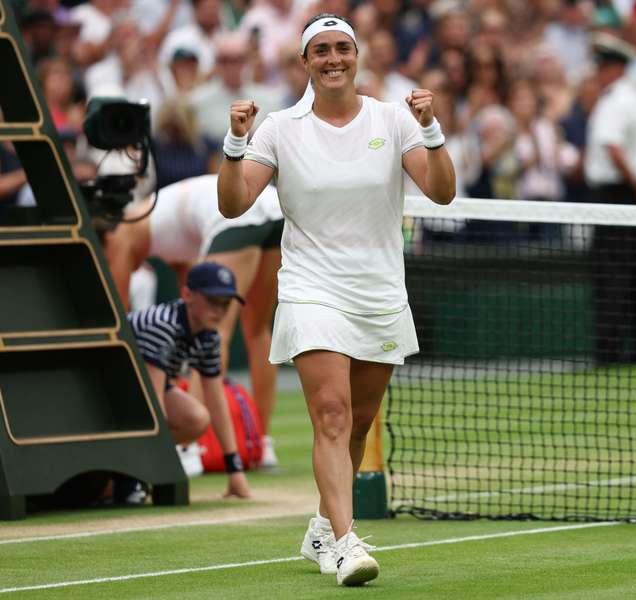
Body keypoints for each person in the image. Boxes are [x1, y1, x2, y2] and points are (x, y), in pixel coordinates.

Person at [217, 13, 455, 586]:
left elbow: (442, 192)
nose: (332, 59)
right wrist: (235, 143)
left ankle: (323, 528)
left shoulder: (392, 119)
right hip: (310, 290)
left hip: (379, 292)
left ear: (357, 56)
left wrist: (431, 129)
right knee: (332, 414)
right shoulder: (278, 128)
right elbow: (232, 204)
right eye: (320, 50)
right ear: (305, 63)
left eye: (341, 49)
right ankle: (345, 544)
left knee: (358, 424)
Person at [105, 175, 283, 469]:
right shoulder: (164, 229)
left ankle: (190, 449)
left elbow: (118, 318)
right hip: (274, 208)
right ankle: (260, 444)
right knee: (257, 330)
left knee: (216, 332)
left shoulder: (121, 234)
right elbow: (186, 313)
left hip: (238, 212)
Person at [127, 262, 252, 499]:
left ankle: (132, 467)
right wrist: (161, 475)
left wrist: (234, 469)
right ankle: (132, 474)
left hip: (140, 390)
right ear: (187, 295)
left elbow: (217, 401)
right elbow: (155, 407)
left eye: (225, 304)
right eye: (212, 301)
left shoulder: (209, 337)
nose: (220, 311)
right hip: (112, 389)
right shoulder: (162, 324)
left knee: (196, 419)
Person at [584, 32, 636, 365]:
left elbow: (613, 148)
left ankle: (608, 350)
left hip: (616, 195)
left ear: (614, 67)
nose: (597, 72)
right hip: (633, 194)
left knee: (611, 275)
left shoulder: (614, 100)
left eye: (601, 66)